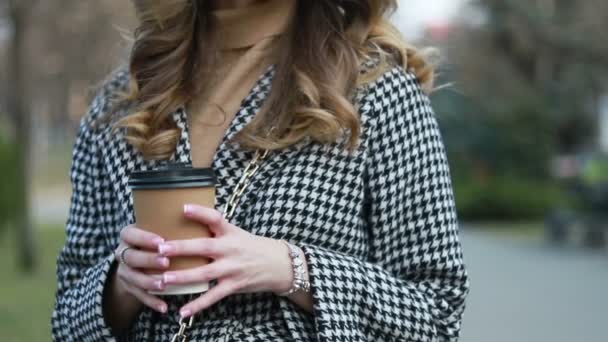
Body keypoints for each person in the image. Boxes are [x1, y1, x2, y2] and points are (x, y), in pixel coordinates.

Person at [51, 0, 470, 341]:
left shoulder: (377, 92)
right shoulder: (122, 103)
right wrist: (120, 285)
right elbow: (66, 317)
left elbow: (437, 314)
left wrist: (295, 269)